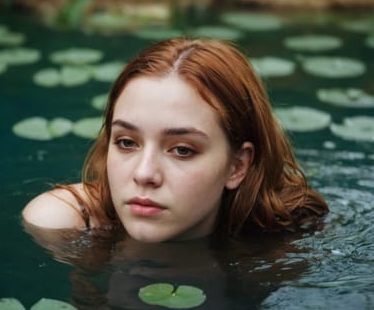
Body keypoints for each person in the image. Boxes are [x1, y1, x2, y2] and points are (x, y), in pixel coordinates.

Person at [22, 37, 328, 243]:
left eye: (182, 150)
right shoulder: (63, 222)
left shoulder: (289, 236)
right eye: (127, 142)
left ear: (237, 166)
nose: (144, 174)